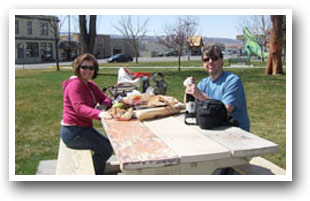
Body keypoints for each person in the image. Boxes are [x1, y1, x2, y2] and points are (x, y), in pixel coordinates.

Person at [60, 53, 113, 175]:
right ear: (77, 68)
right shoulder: (75, 84)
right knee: (106, 149)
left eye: (91, 68)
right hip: (73, 132)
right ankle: (90, 175)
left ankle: (96, 172)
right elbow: (79, 108)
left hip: (83, 128)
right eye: (84, 67)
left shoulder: (89, 84)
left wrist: (104, 105)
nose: (87, 71)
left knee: (106, 146)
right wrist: (99, 114)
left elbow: (104, 98)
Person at [184, 45, 250, 132]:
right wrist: (188, 90)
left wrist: (200, 95)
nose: (210, 62)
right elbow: (189, 108)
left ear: (222, 60)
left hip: (235, 132)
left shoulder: (232, 81)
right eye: (206, 60)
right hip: (212, 129)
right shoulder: (204, 83)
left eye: (214, 58)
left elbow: (224, 112)